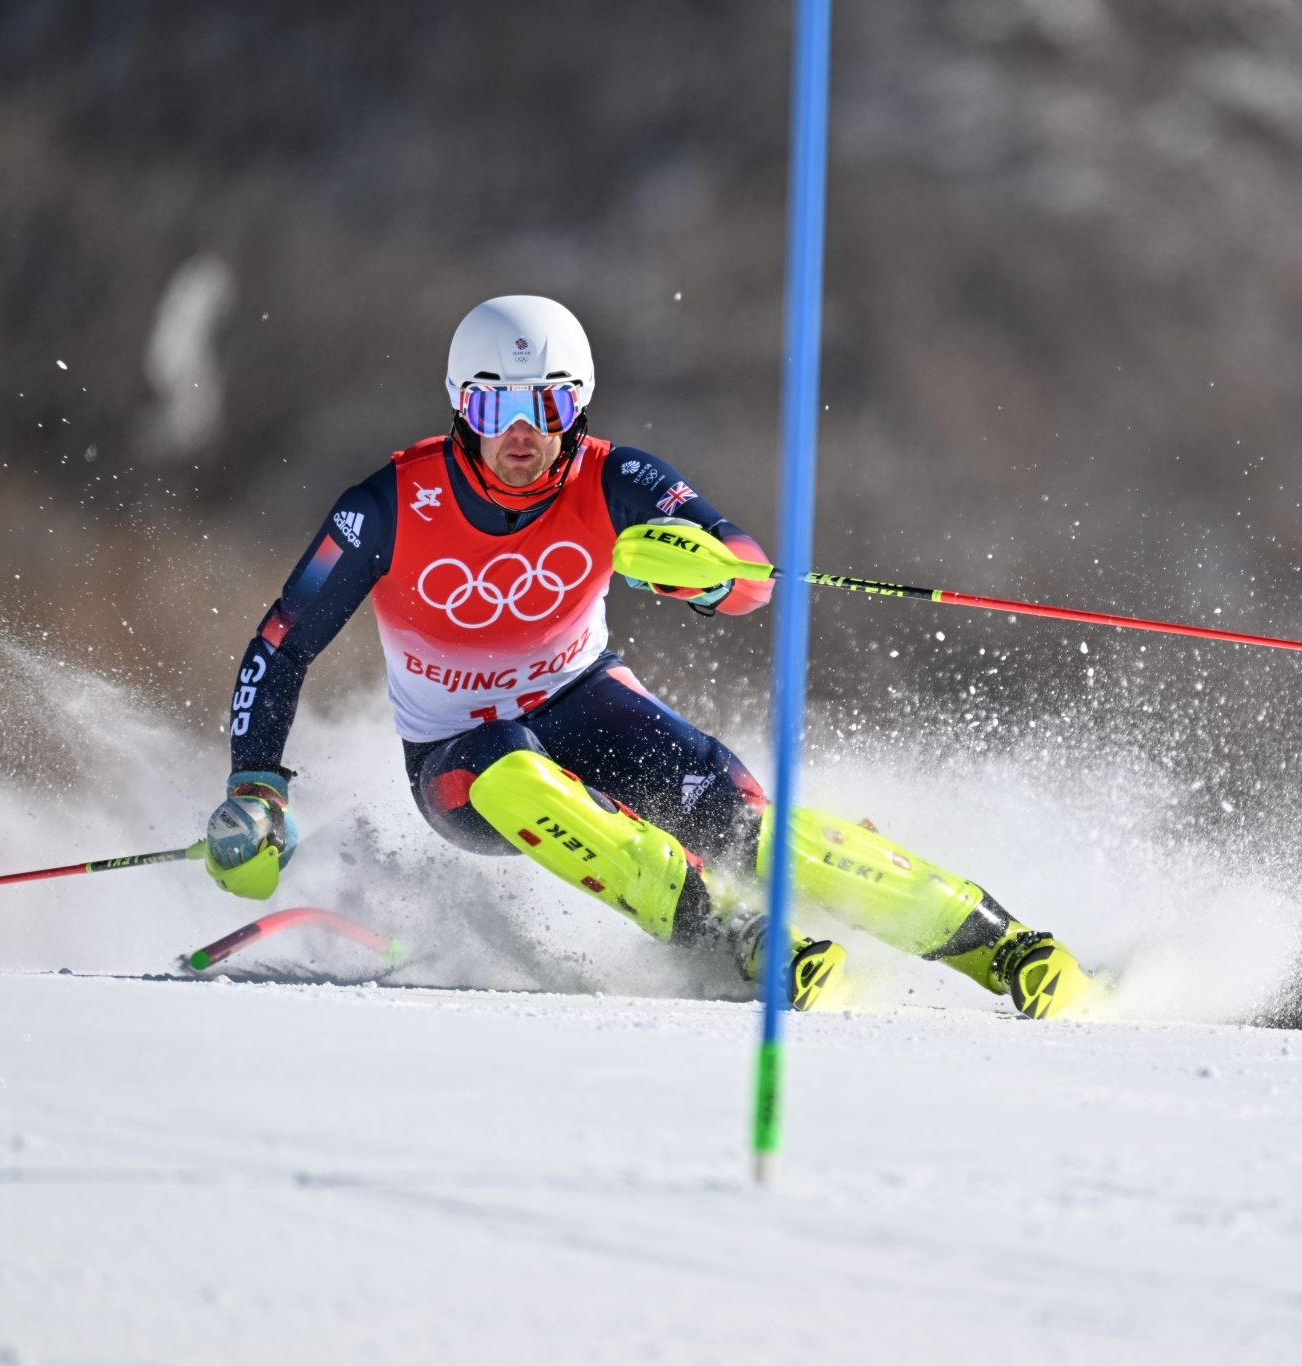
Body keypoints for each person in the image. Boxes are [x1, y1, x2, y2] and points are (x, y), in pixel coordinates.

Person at [202, 295, 1094, 1018]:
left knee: (749, 829)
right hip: (458, 762)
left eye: (547, 405)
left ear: (577, 405)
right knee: (508, 772)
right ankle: (731, 935)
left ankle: (1000, 944)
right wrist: (256, 788)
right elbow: (282, 646)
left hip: (589, 705)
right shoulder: (390, 504)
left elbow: (752, 578)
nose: (523, 434)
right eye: (495, 406)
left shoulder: (614, 477)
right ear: (461, 408)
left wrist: (705, 575)